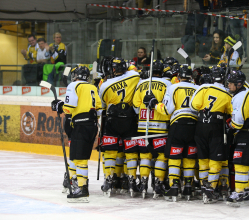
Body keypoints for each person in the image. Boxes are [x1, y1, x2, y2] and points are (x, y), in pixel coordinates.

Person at [147, 64, 199, 201]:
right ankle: (188, 187)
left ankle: (174, 187)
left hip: (178, 125)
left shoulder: (173, 87)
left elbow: (167, 110)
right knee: (189, 158)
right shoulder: (198, 88)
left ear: (178, 76)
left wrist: (153, 104)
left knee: (174, 157)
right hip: (194, 126)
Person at [51, 66, 102, 202]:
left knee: (78, 159)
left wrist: (59, 106)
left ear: (75, 75)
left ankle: (82, 189)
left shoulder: (73, 85)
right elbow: (99, 109)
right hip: (92, 126)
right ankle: (80, 186)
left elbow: (69, 107)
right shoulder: (92, 87)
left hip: (80, 125)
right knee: (80, 158)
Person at [98, 57, 140, 197]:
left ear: (113, 69)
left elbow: (102, 106)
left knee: (110, 151)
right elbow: (133, 70)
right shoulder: (134, 76)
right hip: (130, 120)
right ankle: (132, 180)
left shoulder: (105, 85)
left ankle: (109, 180)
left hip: (113, 120)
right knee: (131, 151)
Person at [190, 65, 232, 203]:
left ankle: (203, 187)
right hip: (216, 126)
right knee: (215, 159)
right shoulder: (227, 93)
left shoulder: (203, 88)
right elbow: (231, 111)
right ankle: (211, 188)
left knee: (203, 159)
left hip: (200, 125)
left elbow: (193, 105)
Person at [133, 59, 172, 198]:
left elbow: (135, 106)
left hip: (143, 126)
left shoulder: (141, 84)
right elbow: (168, 107)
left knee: (145, 156)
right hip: (160, 127)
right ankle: (159, 183)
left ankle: (143, 182)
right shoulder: (168, 84)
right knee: (161, 156)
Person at [225, 70, 249, 207]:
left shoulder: (239, 97)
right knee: (246, 163)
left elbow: (238, 122)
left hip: (248, 132)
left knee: (239, 161)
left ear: (238, 84)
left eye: (231, 83)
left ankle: (239, 192)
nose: (228, 85)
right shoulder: (246, 91)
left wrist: (230, 126)